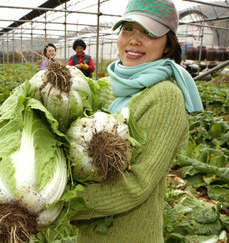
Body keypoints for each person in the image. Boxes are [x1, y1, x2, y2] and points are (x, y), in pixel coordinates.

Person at [70, 0, 203, 242]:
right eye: (128, 29)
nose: (134, 39)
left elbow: (137, 184)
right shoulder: (110, 86)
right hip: (90, 233)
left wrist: (62, 202)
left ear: (167, 44)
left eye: (148, 32)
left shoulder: (165, 96)